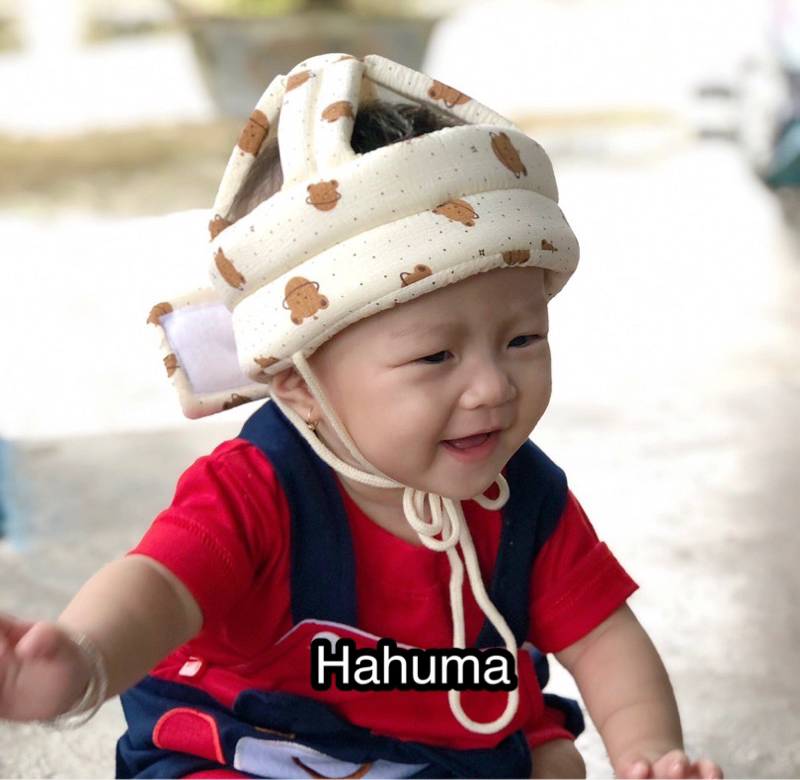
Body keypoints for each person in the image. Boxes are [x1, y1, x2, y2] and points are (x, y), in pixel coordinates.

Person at [0, 54, 723, 780]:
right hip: (255, 743)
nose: (491, 387)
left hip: (448, 746)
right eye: (435, 356)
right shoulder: (254, 489)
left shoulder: (526, 500)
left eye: (523, 339)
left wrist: (648, 754)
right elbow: (159, 586)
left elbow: (602, 637)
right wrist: (84, 660)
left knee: (557, 764)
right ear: (300, 384)